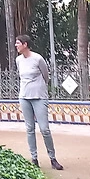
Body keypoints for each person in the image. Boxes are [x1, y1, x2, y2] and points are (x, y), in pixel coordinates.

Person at [16, 35, 64, 170]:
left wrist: (40, 88)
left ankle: (52, 158)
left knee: (44, 129)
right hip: (24, 97)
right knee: (29, 128)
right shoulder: (18, 60)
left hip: (39, 97)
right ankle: (34, 158)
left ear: (25, 44)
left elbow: (46, 76)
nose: (16, 45)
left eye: (18, 43)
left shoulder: (37, 58)